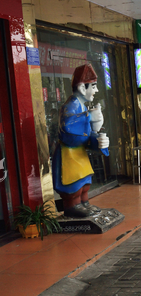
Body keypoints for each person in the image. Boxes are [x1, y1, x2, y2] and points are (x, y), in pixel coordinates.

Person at [52, 63, 109, 218]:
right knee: (73, 184)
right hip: (68, 155)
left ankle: (84, 204)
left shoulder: (83, 107)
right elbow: (68, 126)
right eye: (94, 86)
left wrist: (99, 140)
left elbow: (87, 134)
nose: (96, 90)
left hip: (79, 154)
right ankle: (72, 207)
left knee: (84, 182)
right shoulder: (70, 106)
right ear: (83, 88)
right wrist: (89, 117)